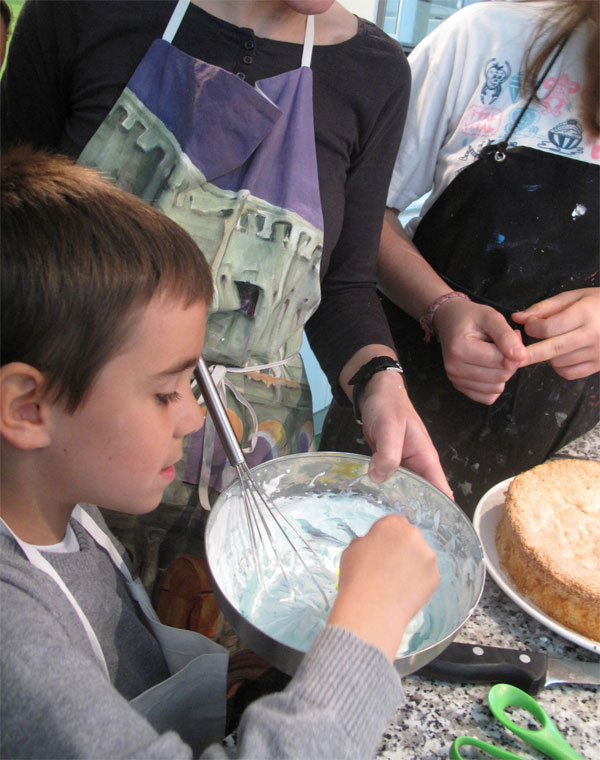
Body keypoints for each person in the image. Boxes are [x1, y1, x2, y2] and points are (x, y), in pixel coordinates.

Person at [0, 0, 451, 608]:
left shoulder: (375, 72)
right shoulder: (83, 12)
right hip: (65, 450)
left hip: (251, 469)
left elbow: (340, 285)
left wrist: (379, 380)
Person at [0, 146, 440, 759]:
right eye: (164, 392)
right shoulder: (13, 642)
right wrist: (368, 625)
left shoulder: (59, 504)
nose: (192, 414)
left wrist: (230, 678)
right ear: (28, 407)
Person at [321, 0, 599, 519]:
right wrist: (442, 307)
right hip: (402, 410)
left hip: (561, 465)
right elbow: (358, 218)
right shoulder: (484, 41)